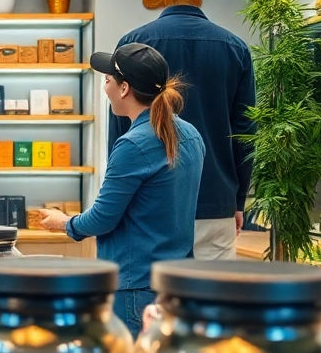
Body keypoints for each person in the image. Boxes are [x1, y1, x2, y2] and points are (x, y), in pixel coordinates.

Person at [40, 43, 204, 336]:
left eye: (107, 80)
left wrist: (64, 223)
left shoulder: (133, 145)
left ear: (124, 88)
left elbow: (103, 217)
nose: (105, 88)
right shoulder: (191, 135)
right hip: (176, 282)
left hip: (135, 287)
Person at [108, 4, 255, 260]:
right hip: (216, 200)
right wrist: (237, 201)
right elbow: (245, 131)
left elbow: (121, 131)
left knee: (155, 294)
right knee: (213, 295)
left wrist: (116, 200)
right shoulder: (236, 47)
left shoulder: (135, 43)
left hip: (150, 207)